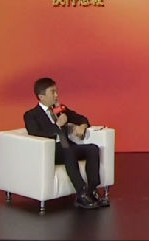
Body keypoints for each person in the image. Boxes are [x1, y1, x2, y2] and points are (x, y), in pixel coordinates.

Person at [23, 77, 108, 209]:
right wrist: (57, 125)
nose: (56, 95)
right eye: (52, 92)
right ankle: (81, 193)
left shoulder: (59, 109)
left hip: (68, 148)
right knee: (69, 151)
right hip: (51, 151)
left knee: (92, 149)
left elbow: (81, 118)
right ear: (41, 97)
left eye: (56, 91)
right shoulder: (31, 115)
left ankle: (91, 190)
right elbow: (36, 134)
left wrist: (82, 126)